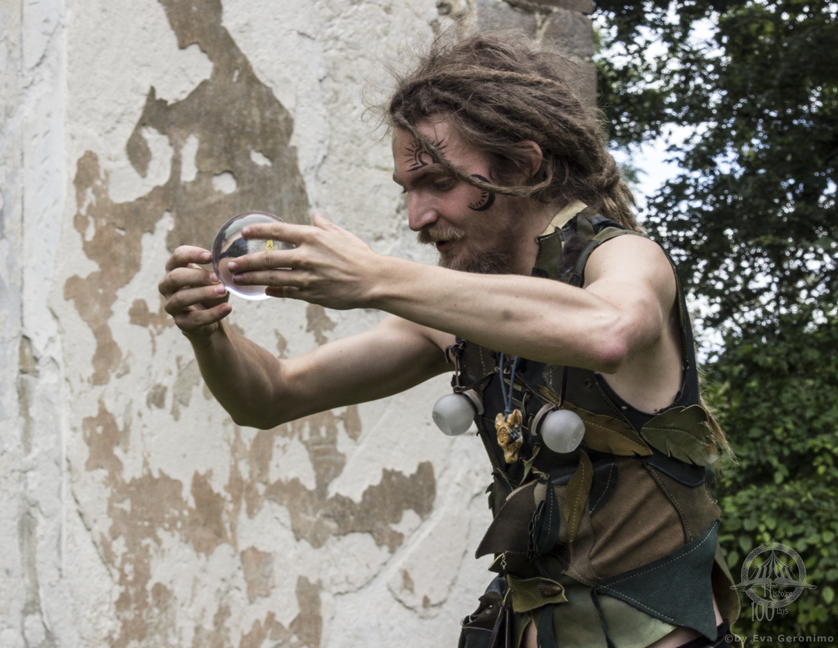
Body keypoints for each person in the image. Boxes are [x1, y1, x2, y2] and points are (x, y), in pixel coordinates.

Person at [158, 34, 739, 648]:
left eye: (437, 183)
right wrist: (208, 332)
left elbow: (607, 331)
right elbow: (270, 395)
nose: (417, 217)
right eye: (407, 190)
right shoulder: (456, 311)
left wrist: (376, 277)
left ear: (523, 165)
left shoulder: (623, 258)